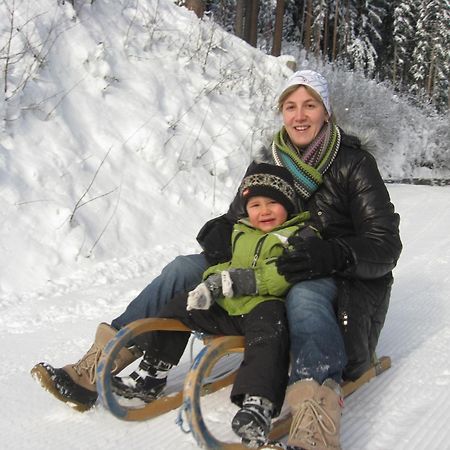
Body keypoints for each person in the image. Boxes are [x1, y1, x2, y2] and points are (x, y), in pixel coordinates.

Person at [32, 69, 402, 450]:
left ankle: (315, 414)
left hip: (326, 275)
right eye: (290, 106)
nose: (300, 116)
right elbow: (240, 218)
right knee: (182, 268)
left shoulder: (354, 164)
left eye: (310, 105)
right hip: (262, 268)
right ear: (281, 112)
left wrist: (335, 252)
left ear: (326, 111)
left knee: (304, 295)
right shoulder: (269, 159)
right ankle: (100, 362)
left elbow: (386, 244)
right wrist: (222, 231)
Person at [111, 163, 315, 447]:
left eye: (272, 203)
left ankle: (258, 403)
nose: (264, 211)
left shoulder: (300, 235)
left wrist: (240, 280)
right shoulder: (242, 231)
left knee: (270, 332)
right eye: (255, 204)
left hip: (265, 308)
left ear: (289, 205)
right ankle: (153, 371)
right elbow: (227, 265)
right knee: (181, 305)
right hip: (232, 309)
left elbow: (284, 274)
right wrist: (209, 283)